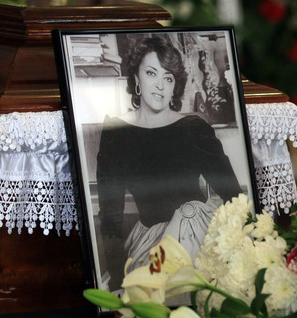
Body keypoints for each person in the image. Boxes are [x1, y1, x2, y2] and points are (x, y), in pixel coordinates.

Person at [94, 35, 243, 290]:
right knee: (148, 294)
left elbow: (233, 195)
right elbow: (110, 216)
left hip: (199, 233)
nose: (160, 86)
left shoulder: (194, 128)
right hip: (151, 243)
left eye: (168, 77)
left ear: (175, 86)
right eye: (151, 73)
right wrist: (118, 278)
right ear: (137, 78)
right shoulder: (116, 134)